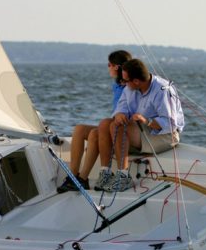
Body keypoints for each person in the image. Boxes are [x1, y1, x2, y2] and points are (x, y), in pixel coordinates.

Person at [103, 58, 185, 192]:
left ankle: (123, 177)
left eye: (125, 80)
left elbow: (170, 124)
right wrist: (119, 114)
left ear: (136, 81)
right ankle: (105, 174)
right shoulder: (130, 87)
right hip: (142, 130)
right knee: (106, 123)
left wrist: (146, 121)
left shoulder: (162, 90)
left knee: (116, 127)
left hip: (166, 135)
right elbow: (121, 107)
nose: (123, 83)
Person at [57, 50, 132, 193]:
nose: (108, 67)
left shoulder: (130, 87)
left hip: (122, 130)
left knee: (94, 133)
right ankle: (73, 177)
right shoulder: (116, 86)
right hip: (111, 126)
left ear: (116, 67)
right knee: (79, 129)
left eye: (109, 65)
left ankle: (83, 178)